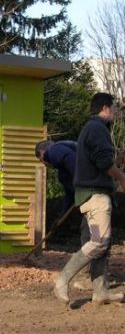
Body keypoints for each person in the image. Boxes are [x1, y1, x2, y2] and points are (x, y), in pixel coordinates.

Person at [54, 92, 125, 304]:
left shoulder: (92, 129)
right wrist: (122, 178)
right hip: (95, 196)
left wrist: (118, 160)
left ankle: (100, 292)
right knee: (99, 242)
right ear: (104, 108)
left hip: (92, 194)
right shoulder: (97, 129)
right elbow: (104, 163)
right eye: (114, 107)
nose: (116, 111)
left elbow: (102, 163)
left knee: (102, 244)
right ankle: (62, 280)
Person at [35, 140, 91, 290]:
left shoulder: (53, 151)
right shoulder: (63, 173)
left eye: (41, 161)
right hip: (88, 196)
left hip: (93, 194)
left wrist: (81, 183)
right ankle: (96, 280)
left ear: (41, 153)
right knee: (93, 237)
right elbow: (69, 196)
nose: (45, 164)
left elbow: (68, 158)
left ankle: (87, 277)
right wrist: (60, 218)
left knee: (90, 238)